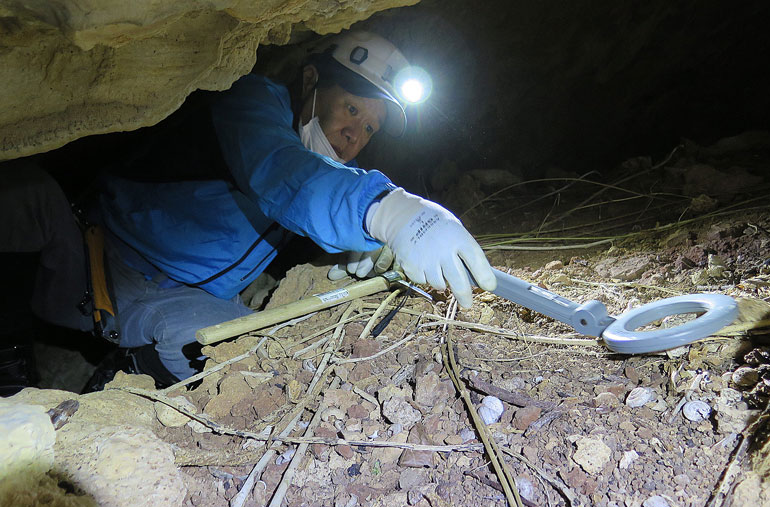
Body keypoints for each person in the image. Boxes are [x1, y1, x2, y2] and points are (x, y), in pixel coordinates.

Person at [1, 30, 497, 390]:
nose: (355, 135)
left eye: (370, 127)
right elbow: (283, 173)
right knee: (21, 189)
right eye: (352, 109)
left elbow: (315, 201)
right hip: (90, 261)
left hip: (174, 303)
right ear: (310, 81)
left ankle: (116, 394)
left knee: (248, 356)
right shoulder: (251, 102)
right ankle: (8, 370)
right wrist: (388, 210)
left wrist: (359, 249)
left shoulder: (329, 174)